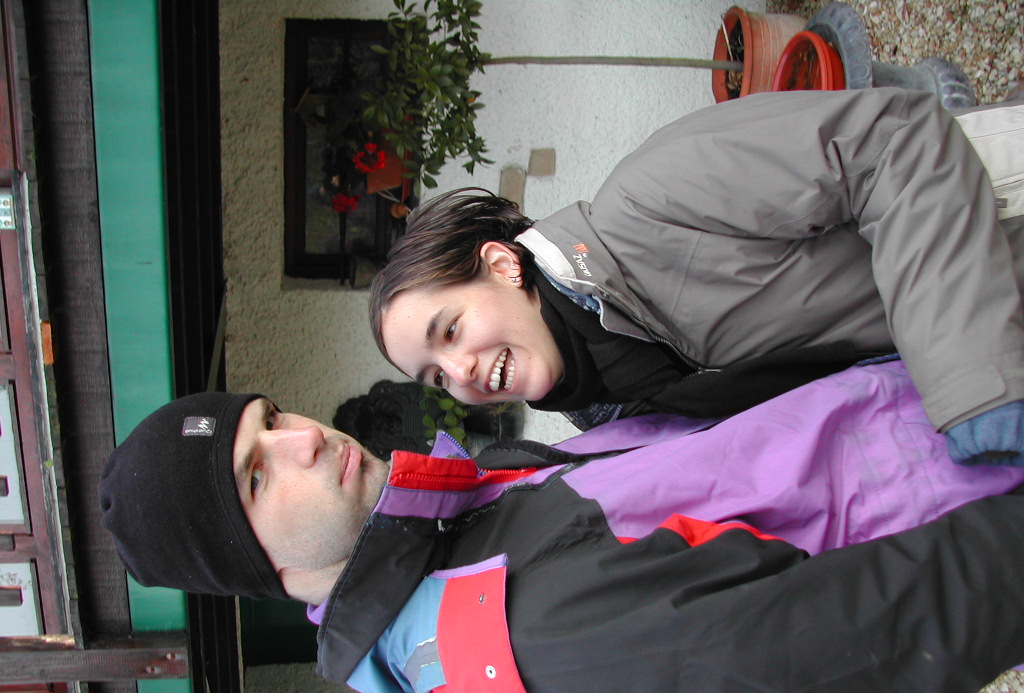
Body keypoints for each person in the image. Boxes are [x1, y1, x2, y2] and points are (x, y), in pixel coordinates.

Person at [100, 360, 1024, 693]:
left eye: (271, 419)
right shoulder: (494, 634)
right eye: (257, 476)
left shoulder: (456, 518)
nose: (303, 442)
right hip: (978, 489)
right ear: (255, 565)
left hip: (952, 407)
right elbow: (857, 642)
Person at [369, 88, 1024, 466]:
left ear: (502, 265)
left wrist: (975, 387)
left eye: (450, 331)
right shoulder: (617, 424)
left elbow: (897, 145)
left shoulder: (650, 200)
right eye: (436, 376)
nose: (461, 374)